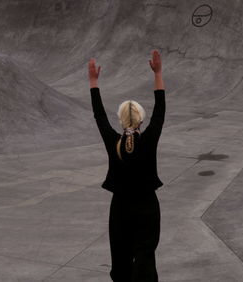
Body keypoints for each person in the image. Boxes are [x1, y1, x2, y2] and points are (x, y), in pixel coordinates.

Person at [88, 50, 166, 282]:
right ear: (141, 121)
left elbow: (99, 116)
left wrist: (93, 82)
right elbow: (160, 111)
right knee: (145, 260)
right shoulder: (149, 139)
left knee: (120, 264)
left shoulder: (114, 143)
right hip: (147, 208)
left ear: (121, 121)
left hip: (120, 210)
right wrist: (158, 73)